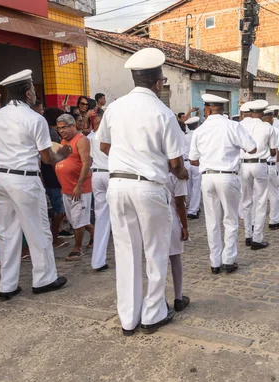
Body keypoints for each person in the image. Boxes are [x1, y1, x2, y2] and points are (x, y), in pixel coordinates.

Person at [97, 48, 188, 336]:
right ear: (158, 82)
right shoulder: (163, 113)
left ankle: (128, 318)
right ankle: (153, 314)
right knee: (156, 251)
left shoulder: (114, 107)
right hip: (149, 188)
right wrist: (183, 174)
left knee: (125, 251)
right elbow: (175, 164)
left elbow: (103, 146)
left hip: (118, 184)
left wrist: (129, 157)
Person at [0, 69, 70, 300]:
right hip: (24, 179)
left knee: (6, 233)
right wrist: (62, 154)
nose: (35, 92)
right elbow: (46, 157)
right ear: (26, 92)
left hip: (0, 178)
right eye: (33, 88)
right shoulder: (35, 119)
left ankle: (8, 285)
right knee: (38, 230)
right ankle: (44, 279)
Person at [189, 94, 256, 274]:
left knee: (212, 221)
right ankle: (228, 259)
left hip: (207, 177)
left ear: (208, 109)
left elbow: (193, 160)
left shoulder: (199, 130)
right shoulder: (233, 126)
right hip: (227, 175)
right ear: (222, 109)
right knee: (230, 219)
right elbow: (252, 148)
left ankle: (215, 262)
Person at [55, 114, 94, 261]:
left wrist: (78, 185)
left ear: (73, 126)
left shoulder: (82, 140)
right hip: (66, 188)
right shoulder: (64, 141)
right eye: (59, 128)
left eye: (64, 127)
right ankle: (94, 232)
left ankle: (77, 248)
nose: (61, 131)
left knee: (78, 220)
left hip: (80, 188)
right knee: (75, 220)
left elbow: (86, 163)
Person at [239, 100, 276, 250]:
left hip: (243, 164)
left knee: (246, 200)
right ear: (262, 113)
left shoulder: (240, 126)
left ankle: (248, 234)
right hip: (260, 164)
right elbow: (273, 151)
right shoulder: (267, 127)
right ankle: (257, 237)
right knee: (260, 201)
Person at [42, 108, 70, 249]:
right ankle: (55, 238)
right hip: (53, 177)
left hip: (47, 176)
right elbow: (54, 157)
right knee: (58, 210)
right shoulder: (52, 134)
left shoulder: (48, 132)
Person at [88, 111, 110, 272]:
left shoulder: (90, 138)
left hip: (96, 174)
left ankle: (98, 260)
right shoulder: (112, 137)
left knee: (101, 217)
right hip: (111, 175)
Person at [166, 170, 190, 312]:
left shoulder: (153, 171)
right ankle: (178, 297)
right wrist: (185, 226)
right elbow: (180, 204)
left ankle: (160, 299)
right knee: (175, 258)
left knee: (157, 260)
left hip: (154, 217)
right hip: (172, 216)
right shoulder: (178, 176)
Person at [263, 108, 279, 232]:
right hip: (269, 165)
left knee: (255, 196)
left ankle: (253, 223)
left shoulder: (250, 129)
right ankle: (273, 221)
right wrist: (274, 162)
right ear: (272, 119)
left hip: (252, 166)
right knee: (274, 193)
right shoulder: (274, 130)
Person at [184, 117, 202, 219]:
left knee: (189, 187)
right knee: (196, 187)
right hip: (196, 163)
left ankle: (192, 206)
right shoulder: (198, 136)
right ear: (196, 125)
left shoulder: (184, 137)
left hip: (186, 163)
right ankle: (193, 210)